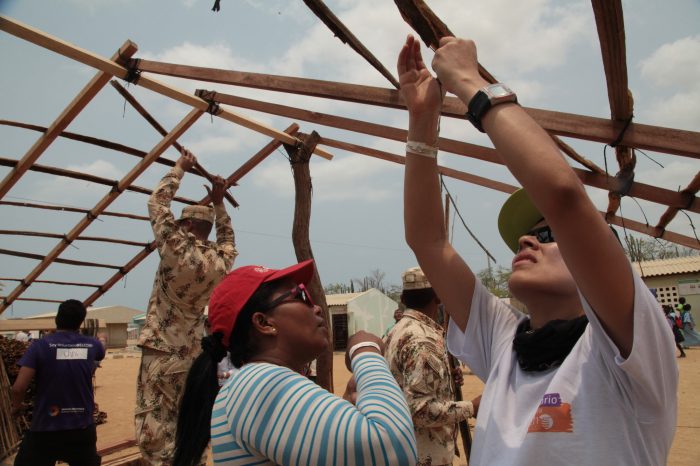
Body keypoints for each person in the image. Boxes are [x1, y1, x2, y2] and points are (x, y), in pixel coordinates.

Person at [399, 34, 678, 465]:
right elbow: (427, 239)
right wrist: (422, 119)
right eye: (528, 236)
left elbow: (563, 196)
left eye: (548, 236)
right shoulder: (506, 341)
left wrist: (470, 81)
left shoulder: (626, 349)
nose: (528, 240)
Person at [172, 259, 418, 466]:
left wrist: (342, 411)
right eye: (301, 295)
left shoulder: (251, 385)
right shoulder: (258, 383)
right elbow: (395, 449)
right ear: (264, 323)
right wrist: (366, 351)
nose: (318, 307)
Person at [135, 148, 237, 465]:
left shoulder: (176, 247)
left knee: (154, 424)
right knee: (189, 421)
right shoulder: (220, 262)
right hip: (192, 354)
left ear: (189, 226)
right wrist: (219, 202)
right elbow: (228, 238)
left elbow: (157, 203)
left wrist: (179, 168)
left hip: (162, 350)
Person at [384, 266, 476, 466]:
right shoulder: (422, 341)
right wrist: (472, 407)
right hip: (425, 456)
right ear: (438, 297)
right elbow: (420, 411)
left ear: (402, 297)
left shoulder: (397, 331)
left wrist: (445, 380)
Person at [11, 299, 105, 466]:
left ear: (57, 318)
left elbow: (19, 388)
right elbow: (100, 351)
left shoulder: (39, 346)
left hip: (46, 429)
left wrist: (16, 407)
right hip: (81, 430)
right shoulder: (92, 345)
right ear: (80, 321)